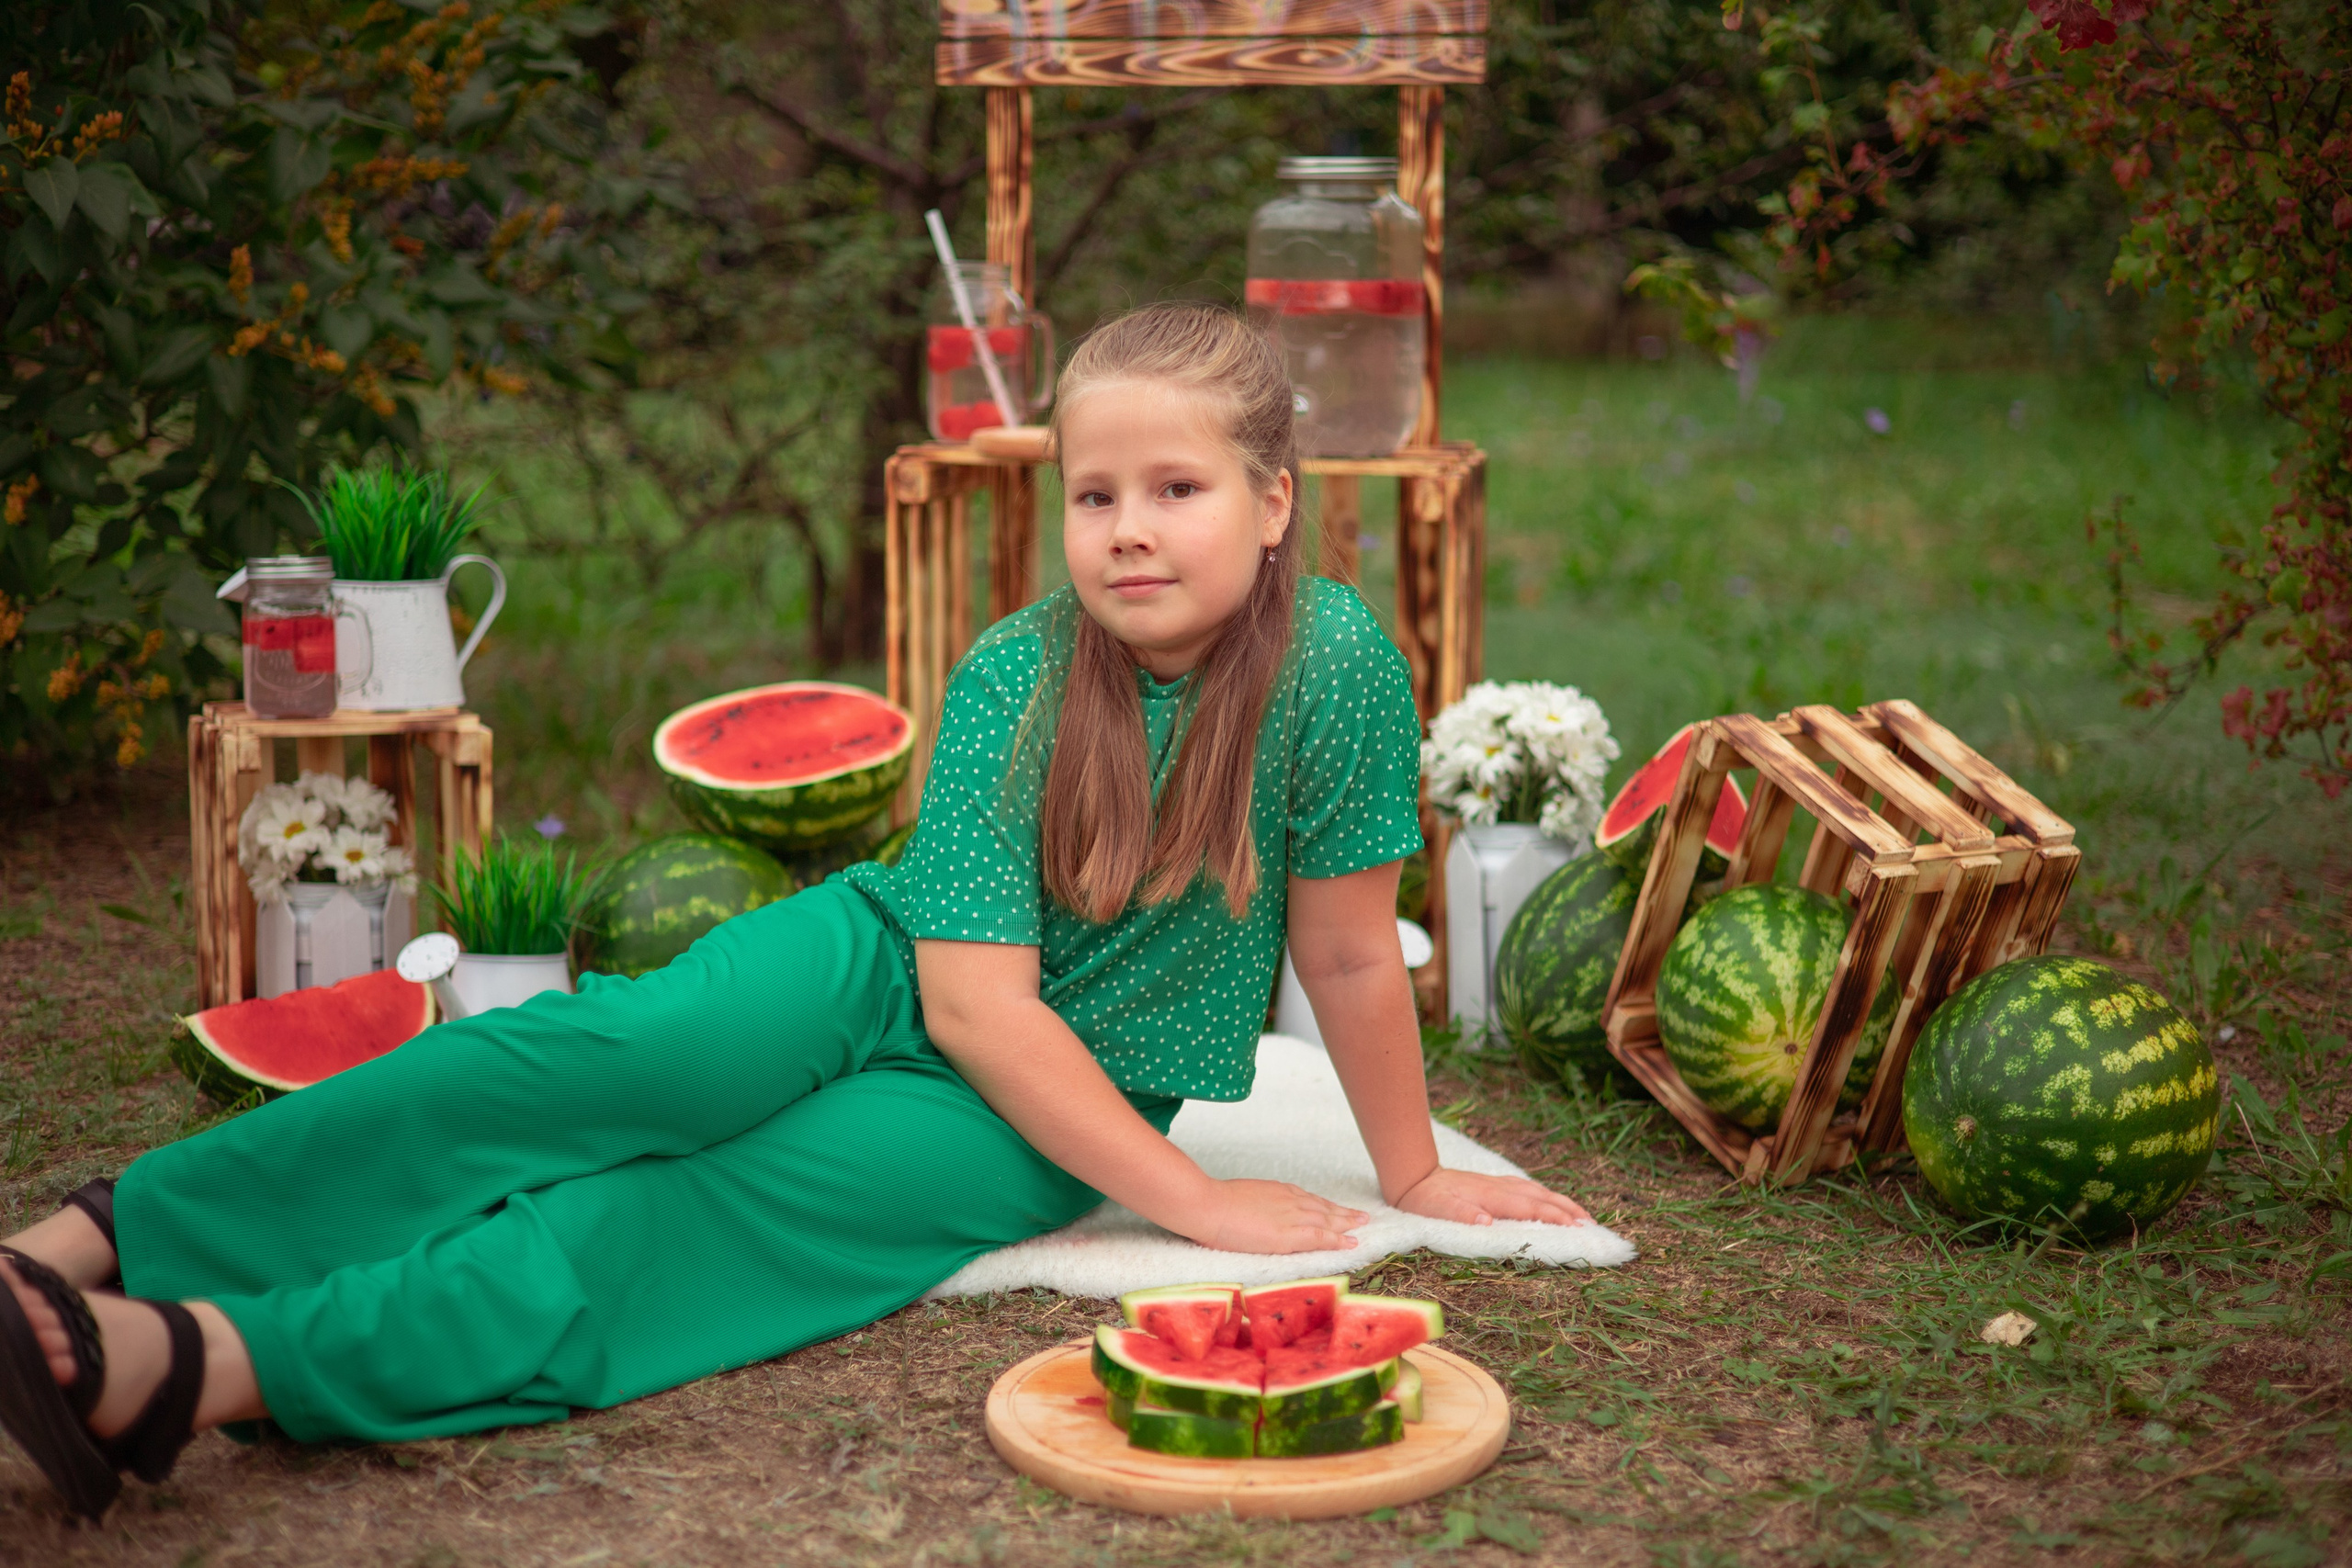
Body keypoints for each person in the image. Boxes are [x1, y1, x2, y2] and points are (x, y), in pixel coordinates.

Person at [0, 303, 1590, 1521]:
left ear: (1270, 504)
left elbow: (1338, 951)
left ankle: (192, 1366)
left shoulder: (1338, 670)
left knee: (690, 1224)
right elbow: (972, 1000)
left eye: (1175, 487)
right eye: (1091, 490)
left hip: (1059, 1104)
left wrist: (1412, 1167)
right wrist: (1192, 1200)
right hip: (897, 964)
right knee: (619, 1055)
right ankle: (93, 1238)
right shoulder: (1020, 674)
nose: (1125, 526)